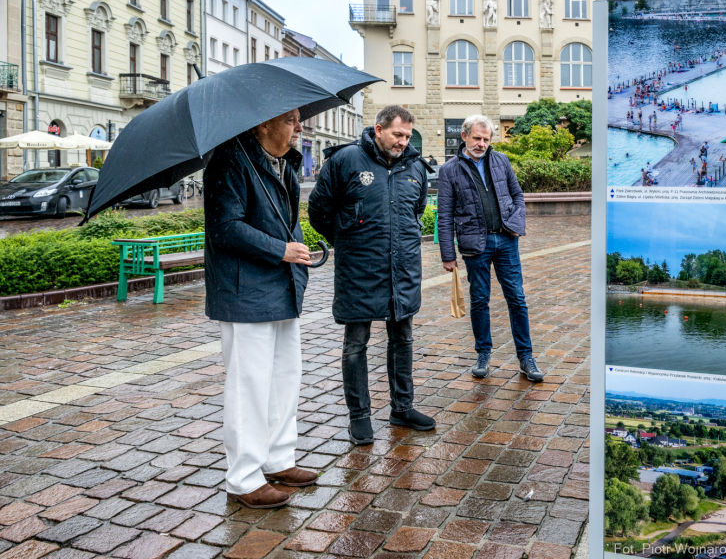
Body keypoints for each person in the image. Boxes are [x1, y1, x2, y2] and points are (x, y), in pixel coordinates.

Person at [204, 109, 318, 508]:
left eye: (299, 118)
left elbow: (287, 223)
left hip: (281, 285)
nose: (299, 127)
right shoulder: (230, 160)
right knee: (248, 386)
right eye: (290, 119)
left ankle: (278, 458)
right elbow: (226, 227)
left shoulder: (285, 163)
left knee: (285, 377)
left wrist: (298, 255)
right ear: (261, 124)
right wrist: (281, 251)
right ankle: (244, 478)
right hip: (244, 291)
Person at [307, 105, 436, 445]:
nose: (403, 142)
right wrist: (348, 239)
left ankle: (402, 407)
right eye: (397, 135)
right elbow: (319, 211)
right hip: (359, 268)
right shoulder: (345, 161)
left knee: (403, 338)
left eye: (407, 136)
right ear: (378, 130)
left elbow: (416, 210)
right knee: (356, 344)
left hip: (403, 266)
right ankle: (360, 417)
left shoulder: (415, 167)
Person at [436, 115, 543, 382]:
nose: (481, 144)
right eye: (477, 138)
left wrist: (516, 222)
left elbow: (517, 194)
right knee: (480, 301)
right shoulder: (449, 170)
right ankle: (483, 354)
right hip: (475, 245)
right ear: (464, 137)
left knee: (517, 299)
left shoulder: (501, 160)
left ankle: (526, 357)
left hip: (506, 240)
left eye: (486, 139)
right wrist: (448, 254)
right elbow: (445, 214)